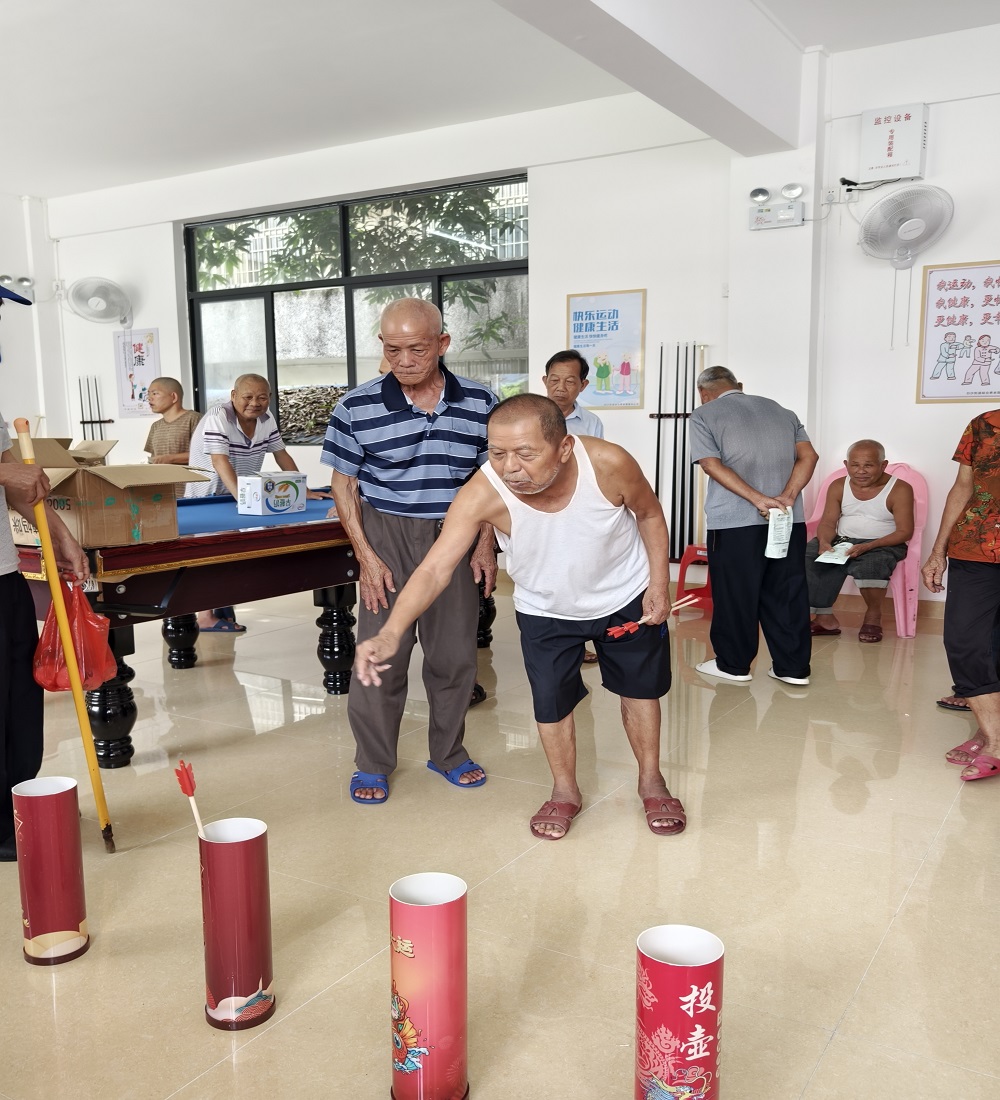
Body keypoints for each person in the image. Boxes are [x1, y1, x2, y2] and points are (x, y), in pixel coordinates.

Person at [353, 394, 683, 840]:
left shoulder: (608, 463)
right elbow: (434, 569)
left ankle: (651, 781)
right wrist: (392, 631)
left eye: (525, 453)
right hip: (545, 607)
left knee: (640, 693)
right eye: (497, 453)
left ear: (563, 447)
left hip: (623, 595)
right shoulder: (483, 491)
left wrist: (659, 585)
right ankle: (564, 790)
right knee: (551, 704)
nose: (510, 468)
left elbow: (649, 514)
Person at [323, 298, 497, 804]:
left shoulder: (482, 403)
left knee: (454, 656)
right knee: (383, 654)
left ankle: (449, 753)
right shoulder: (355, 407)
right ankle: (373, 762)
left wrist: (485, 543)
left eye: (416, 349)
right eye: (392, 349)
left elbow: (492, 480)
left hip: (454, 534)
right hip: (386, 534)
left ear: (442, 343)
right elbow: (344, 486)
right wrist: (366, 556)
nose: (403, 360)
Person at [0, 289, 90, 861]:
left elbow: (23, 483)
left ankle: (19, 806)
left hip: (4, 572)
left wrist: (62, 538)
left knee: (17, 694)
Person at [688, 366, 818, 685]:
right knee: (787, 591)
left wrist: (759, 500)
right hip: (788, 518)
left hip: (734, 524)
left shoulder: (703, 414)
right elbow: (809, 457)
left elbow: (710, 464)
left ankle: (733, 666)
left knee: (736, 594)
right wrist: (787, 498)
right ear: (739, 385)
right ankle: (793, 669)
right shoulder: (783, 412)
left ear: (703, 393)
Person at [185, 373, 328, 632]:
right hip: (207, 496)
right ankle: (204, 617)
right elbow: (219, 461)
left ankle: (220, 607)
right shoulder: (219, 416)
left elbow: (281, 454)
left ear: (269, 398)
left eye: (262, 397)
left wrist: (302, 489)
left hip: (238, 493)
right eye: (248, 397)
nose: (255, 403)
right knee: (210, 555)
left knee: (229, 553)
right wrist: (243, 498)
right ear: (233, 396)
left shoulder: (266, 419)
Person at [922, 410, 1000, 780]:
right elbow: (963, 487)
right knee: (964, 641)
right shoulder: (983, 425)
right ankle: (994, 738)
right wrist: (938, 550)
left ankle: (989, 736)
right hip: (975, 548)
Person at [805, 440, 914, 643]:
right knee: (810, 556)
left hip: (883, 543)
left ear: (883, 465)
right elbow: (827, 522)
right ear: (846, 465)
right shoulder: (838, 486)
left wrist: (869, 546)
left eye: (868, 465)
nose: (860, 471)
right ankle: (825, 617)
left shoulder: (900, 489)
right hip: (843, 540)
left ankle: (873, 615)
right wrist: (825, 543)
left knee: (871, 565)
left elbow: (905, 531)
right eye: (855, 465)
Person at [543, 349, 604, 667]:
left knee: (577, 576)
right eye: (554, 380)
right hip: (537, 508)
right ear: (545, 381)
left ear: (583, 385)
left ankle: (576, 645)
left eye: (569, 381)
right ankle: (549, 642)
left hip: (577, 510)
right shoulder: (529, 416)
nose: (560, 387)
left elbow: (597, 467)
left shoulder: (592, 423)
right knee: (545, 576)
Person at [143, 377, 202, 495]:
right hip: (162, 493)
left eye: (155, 393)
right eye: (148, 394)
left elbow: (206, 455)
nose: (149, 398)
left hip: (190, 493)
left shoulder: (195, 419)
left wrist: (169, 459)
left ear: (174, 397)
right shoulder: (155, 426)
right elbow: (154, 459)